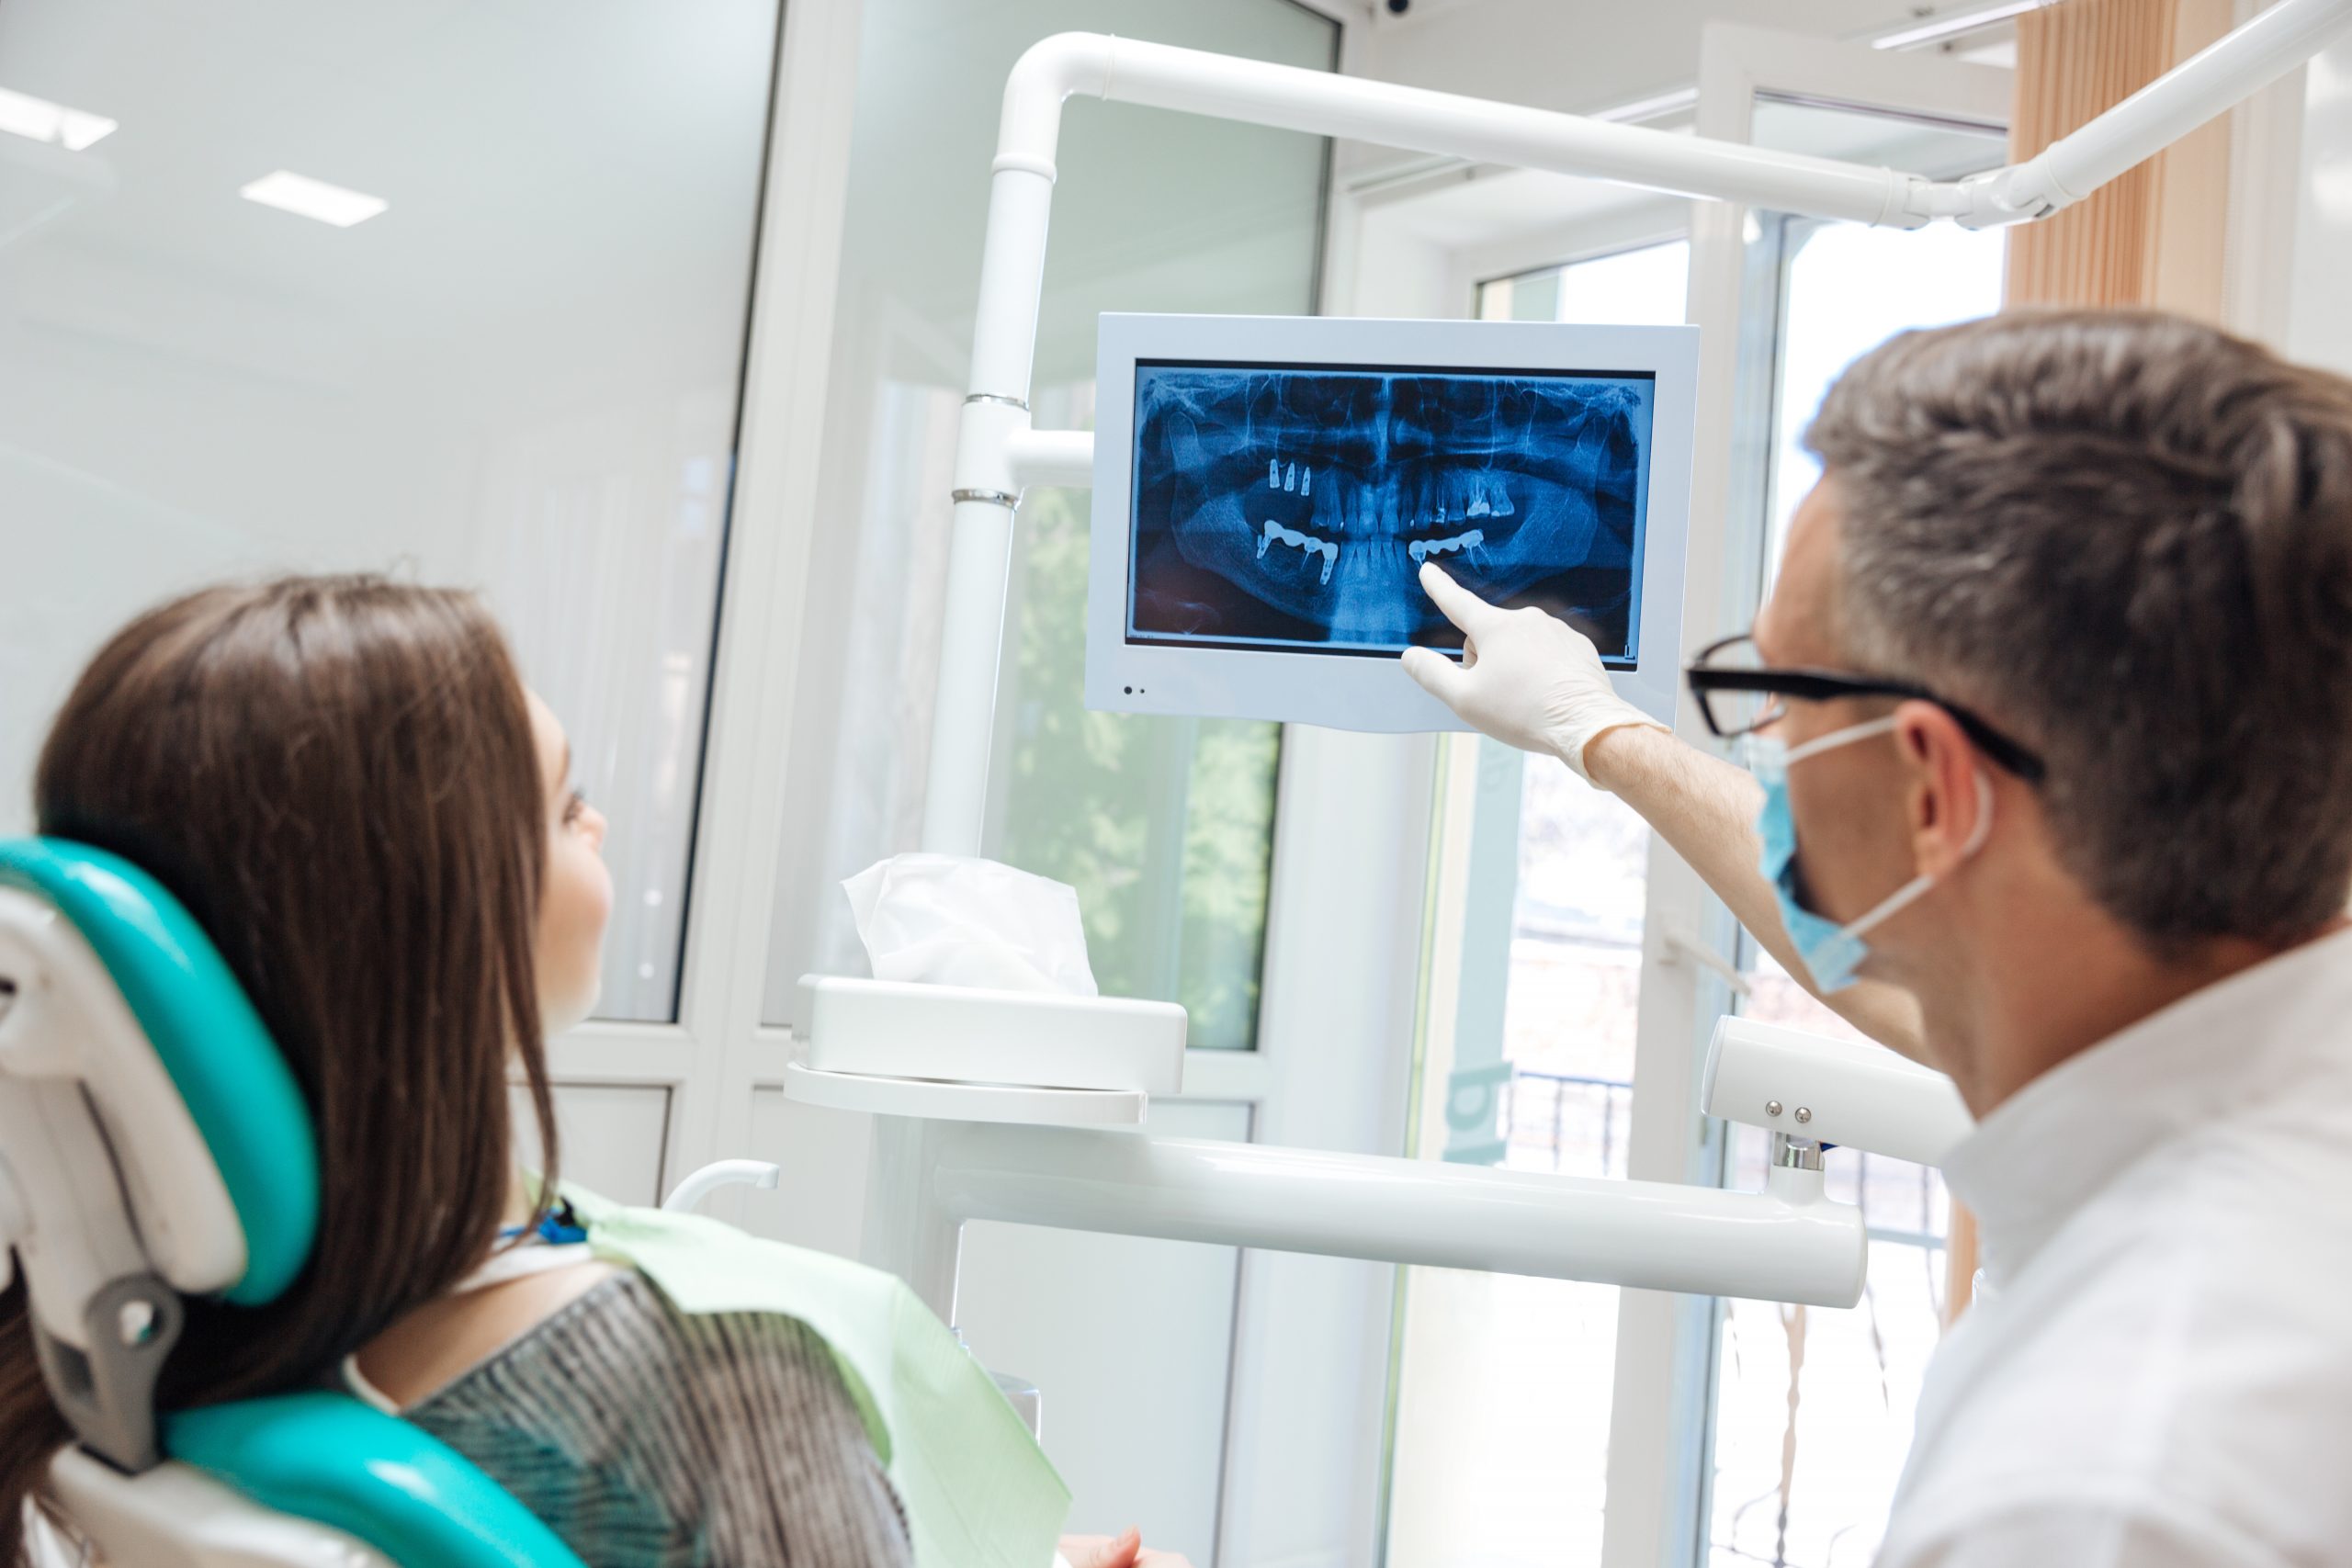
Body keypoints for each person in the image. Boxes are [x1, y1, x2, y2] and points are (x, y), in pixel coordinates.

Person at [1406, 310, 2352, 1566]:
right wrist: (1599, 733)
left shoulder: (2098, 1489)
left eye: (1775, 695)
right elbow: (1915, 974)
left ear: (1931, 793)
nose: (1768, 747)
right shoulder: (2234, 1049)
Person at [0, 577, 1183, 1568]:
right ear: (430, 935)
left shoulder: (172, 1346)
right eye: (567, 807)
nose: (602, 826)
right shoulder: (699, 1390)